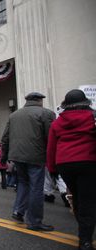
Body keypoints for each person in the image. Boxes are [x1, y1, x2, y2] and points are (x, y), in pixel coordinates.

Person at [46, 89, 96, 250]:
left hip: (65, 164)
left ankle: (84, 229)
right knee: (88, 200)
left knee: (77, 197)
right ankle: (85, 239)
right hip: (88, 161)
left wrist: (52, 169)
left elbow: (51, 148)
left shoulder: (57, 123)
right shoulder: (93, 118)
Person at [1, 92, 56, 231]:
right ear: (40, 100)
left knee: (23, 184)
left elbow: (5, 138)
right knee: (36, 188)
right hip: (36, 156)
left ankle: (18, 212)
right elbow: (51, 138)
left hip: (17, 157)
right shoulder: (46, 113)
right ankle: (34, 222)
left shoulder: (14, 115)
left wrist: (4, 155)